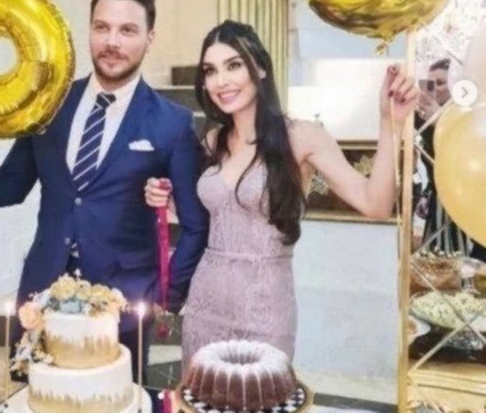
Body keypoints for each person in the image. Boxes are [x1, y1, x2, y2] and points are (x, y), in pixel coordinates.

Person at [0, 0, 209, 375]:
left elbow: (195, 225)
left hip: (125, 307)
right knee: (34, 396)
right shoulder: (48, 104)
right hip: (41, 297)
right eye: (102, 27)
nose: (112, 41)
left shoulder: (172, 123)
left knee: (120, 399)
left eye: (127, 30)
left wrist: (168, 297)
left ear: (150, 38)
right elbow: (10, 188)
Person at [145, 20, 418, 368]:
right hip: (205, 304)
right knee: (200, 395)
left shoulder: (302, 137)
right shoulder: (213, 141)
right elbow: (211, 216)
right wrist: (165, 197)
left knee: (262, 393)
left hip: (265, 309)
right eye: (210, 71)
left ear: (260, 68)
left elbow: (375, 204)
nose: (221, 81)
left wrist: (390, 124)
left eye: (234, 65)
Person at [416, 58, 485, 260]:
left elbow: (467, 157)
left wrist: (440, 121)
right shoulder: (423, 122)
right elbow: (434, 166)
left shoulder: (471, 114)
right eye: (429, 84)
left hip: (467, 202)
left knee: (466, 264)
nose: (434, 89)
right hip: (439, 204)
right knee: (436, 263)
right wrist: (426, 194)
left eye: (440, 83)